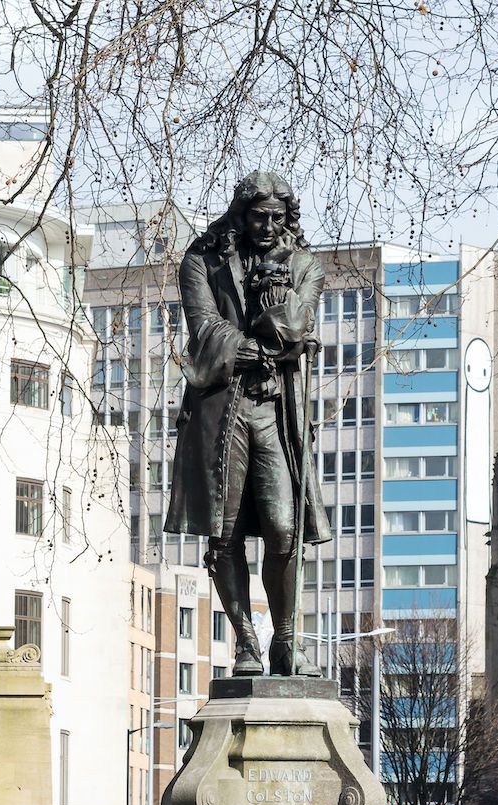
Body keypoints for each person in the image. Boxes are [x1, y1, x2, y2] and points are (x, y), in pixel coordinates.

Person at [164, 171, 331, 677]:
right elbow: (205, 328)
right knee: (225, 532)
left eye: (278, 218)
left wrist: (271, 290)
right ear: (240, 214)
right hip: (221, 412)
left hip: (276, 411)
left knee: (284, 528)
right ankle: (246, 643)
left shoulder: (303, 266)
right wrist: (259, 350)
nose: (267, 226)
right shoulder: (202, 259)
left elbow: (294, 328)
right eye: (258, 216)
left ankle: (286, 640)